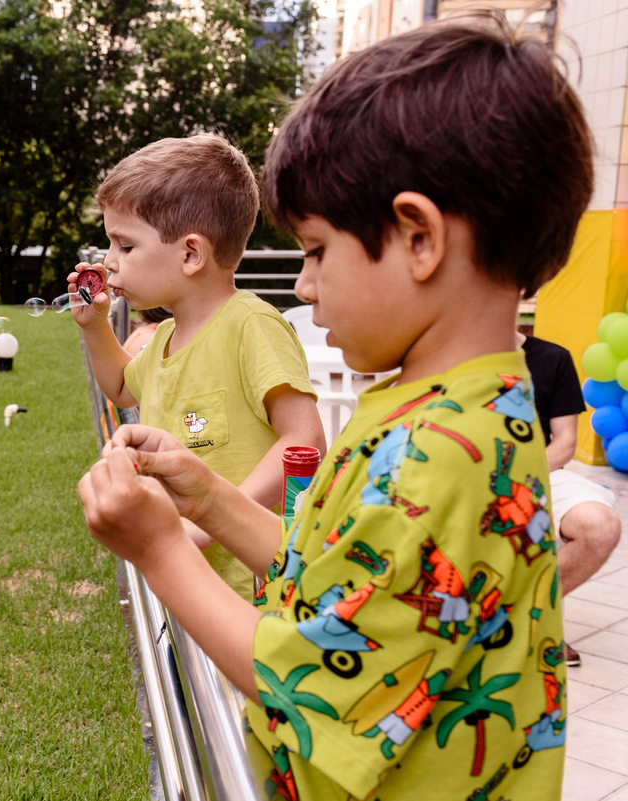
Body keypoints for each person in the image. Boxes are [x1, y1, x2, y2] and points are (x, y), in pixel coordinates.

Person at [78, 17, 592, 801]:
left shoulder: (441, 454)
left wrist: (157, 547)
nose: (305, 284)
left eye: (316, 249)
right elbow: (328, 585)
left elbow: (300, 682)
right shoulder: (441, 409)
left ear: (418, 237)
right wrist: (206, 494)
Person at [69, 132, 325, 600]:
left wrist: (211, 520)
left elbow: (304, 440)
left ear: (190, 254)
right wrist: (94, 327)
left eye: (125, 246)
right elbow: (122, 389)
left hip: (251, 585)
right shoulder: (166, 336)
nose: (109, 263)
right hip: (189, 572)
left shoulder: (250, 326)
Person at [520, 331, 622, 666]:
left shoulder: (552, 358)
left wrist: (519, 479)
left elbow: (564, 444)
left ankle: (528, 614)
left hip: (539, 470)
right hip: (465, 473)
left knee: (600, 526)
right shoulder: (453, 350)